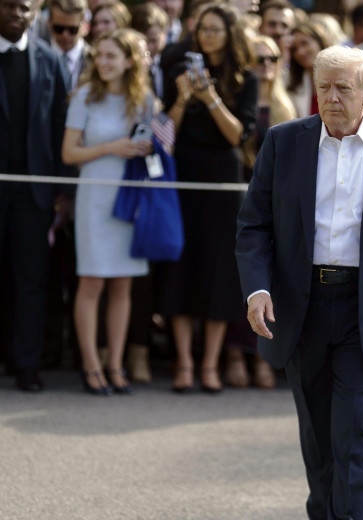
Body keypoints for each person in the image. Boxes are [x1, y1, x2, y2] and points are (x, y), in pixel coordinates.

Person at [235, 44, 363, 520]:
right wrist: (257, 290)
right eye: (323, 87)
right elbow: (253, 226)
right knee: (319, 447)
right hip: (301, 309)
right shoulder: (285, 142)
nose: (331, 98)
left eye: (343, 88)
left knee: (353, 438)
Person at [163, 2, 258, 393]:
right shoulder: (177, 70)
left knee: (220, 272)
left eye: (215, 30)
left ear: (230, 34)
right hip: (183, 175)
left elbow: (239, 135)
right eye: (203, 29)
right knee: (181, 268)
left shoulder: (245, 78)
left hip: (222, 181)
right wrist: (184, 97)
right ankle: (184, 363)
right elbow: (165, 136)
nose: (207, 36)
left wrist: (211, 98)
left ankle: (209, 364)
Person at [61, 28, 153, 396]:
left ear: (130, 60)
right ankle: (91, 365)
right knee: (92, 281)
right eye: (100, 55)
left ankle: (115, 364)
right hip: (94, 196)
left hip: (129, 198)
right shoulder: (84, 96)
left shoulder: (144, 98)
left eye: (112, 55)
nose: (103, 62)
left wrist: (144, 149)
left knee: (123, 283)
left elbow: (151, 146)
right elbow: (70, 154)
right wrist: (114, 147)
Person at [0, 0, 71, 392]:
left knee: (30, 281)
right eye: (9, 6)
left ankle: (26, 365)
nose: (17, 13)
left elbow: (61, 124)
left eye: (25, 8)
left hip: (34, 193)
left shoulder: (49, 58)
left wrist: (62, 189)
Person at [223, 33, 296, 390]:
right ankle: (235, 354)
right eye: (258, 59)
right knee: (243, 278)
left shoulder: (287, 104)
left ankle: (261, 355)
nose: (266, 66)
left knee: (271, 282)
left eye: (272, 59)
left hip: (277, 201)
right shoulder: (241, 99)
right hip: (240, 191)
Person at [287, 21, 329, 119]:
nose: (300, 52)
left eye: (304, 43)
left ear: (319, 41)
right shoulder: (292, 83)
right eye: (294, 49)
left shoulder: (342, 74)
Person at [46, 0, 88, 92]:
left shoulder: (96, 59)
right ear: (48, 23)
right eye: (58, 29)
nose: (65, 35)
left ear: (84, 25)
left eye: (73, 29)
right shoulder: (37, 58)